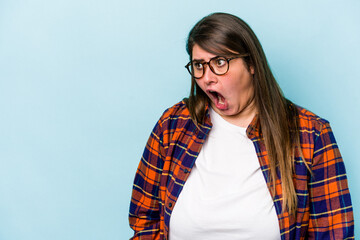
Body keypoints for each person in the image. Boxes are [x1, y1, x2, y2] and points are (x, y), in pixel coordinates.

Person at [128, 12, 354, 239]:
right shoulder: (173, 125)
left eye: (219, 62)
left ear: (252, 64)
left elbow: (334, 233)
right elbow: (144, 221)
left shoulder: (310, 135)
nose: (207, 78)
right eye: (199, 65)